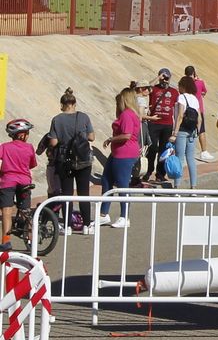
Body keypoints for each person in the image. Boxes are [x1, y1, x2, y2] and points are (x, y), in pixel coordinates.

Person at [43, 89, 94, 232]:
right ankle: (86, 225)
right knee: (84, 193)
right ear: (74, 103)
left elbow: (53, 142)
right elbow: (91, 137)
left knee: (67, 193)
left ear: (62, 104)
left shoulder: (57, 119)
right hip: (83, 159)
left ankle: (67, 226)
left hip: (64, 160)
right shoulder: (84, 117)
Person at [99, 88, 142, 227]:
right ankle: (103, 214)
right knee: (106, 179)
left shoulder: (127, 115)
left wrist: (111, 139)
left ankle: (124, 217)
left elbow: (127, 135)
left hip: (125, 154)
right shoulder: (130, 114)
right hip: (118, 153)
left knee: (123, 184)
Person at [0, 120, 38, 249]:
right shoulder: (29, 147)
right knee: (26, 211)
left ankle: (6, 241)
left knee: (6, 210)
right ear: (22, 135)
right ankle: (31, 239)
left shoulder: (4, 147)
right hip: (24, 181)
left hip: (8, 181)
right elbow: (32, 164)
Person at [142, 68, 179, 185]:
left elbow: (177, 110)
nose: (165, 80)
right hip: (154, 123)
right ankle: (148, 171)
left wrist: (175, 130)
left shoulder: (174, 92)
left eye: (167, 77)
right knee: (152, 148)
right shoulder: (154, 88)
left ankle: (160, 174)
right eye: (163, 77)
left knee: (164, 150)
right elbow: (146, 88)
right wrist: (158, 78)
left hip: (167, 124)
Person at [172, 75, 204, 190]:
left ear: (183, 86)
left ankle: (177, 187)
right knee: (191, 159)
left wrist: (174, 133)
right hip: (192, 132)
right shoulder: (195, 99)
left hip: (181, 131)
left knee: (179, 158)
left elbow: (180, 116)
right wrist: (197, 131)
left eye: (179, 85)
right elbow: (199, 118)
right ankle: (193, 186)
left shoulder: (181, 97)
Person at [185, 65, 216, 163]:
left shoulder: (184, 83)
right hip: (199, 109)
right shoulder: (200, 82)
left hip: (187, 110)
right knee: (201, 131)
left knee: (186, 130)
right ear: (194, 72)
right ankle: (204, 151)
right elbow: (204, 92)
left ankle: (185, 150)